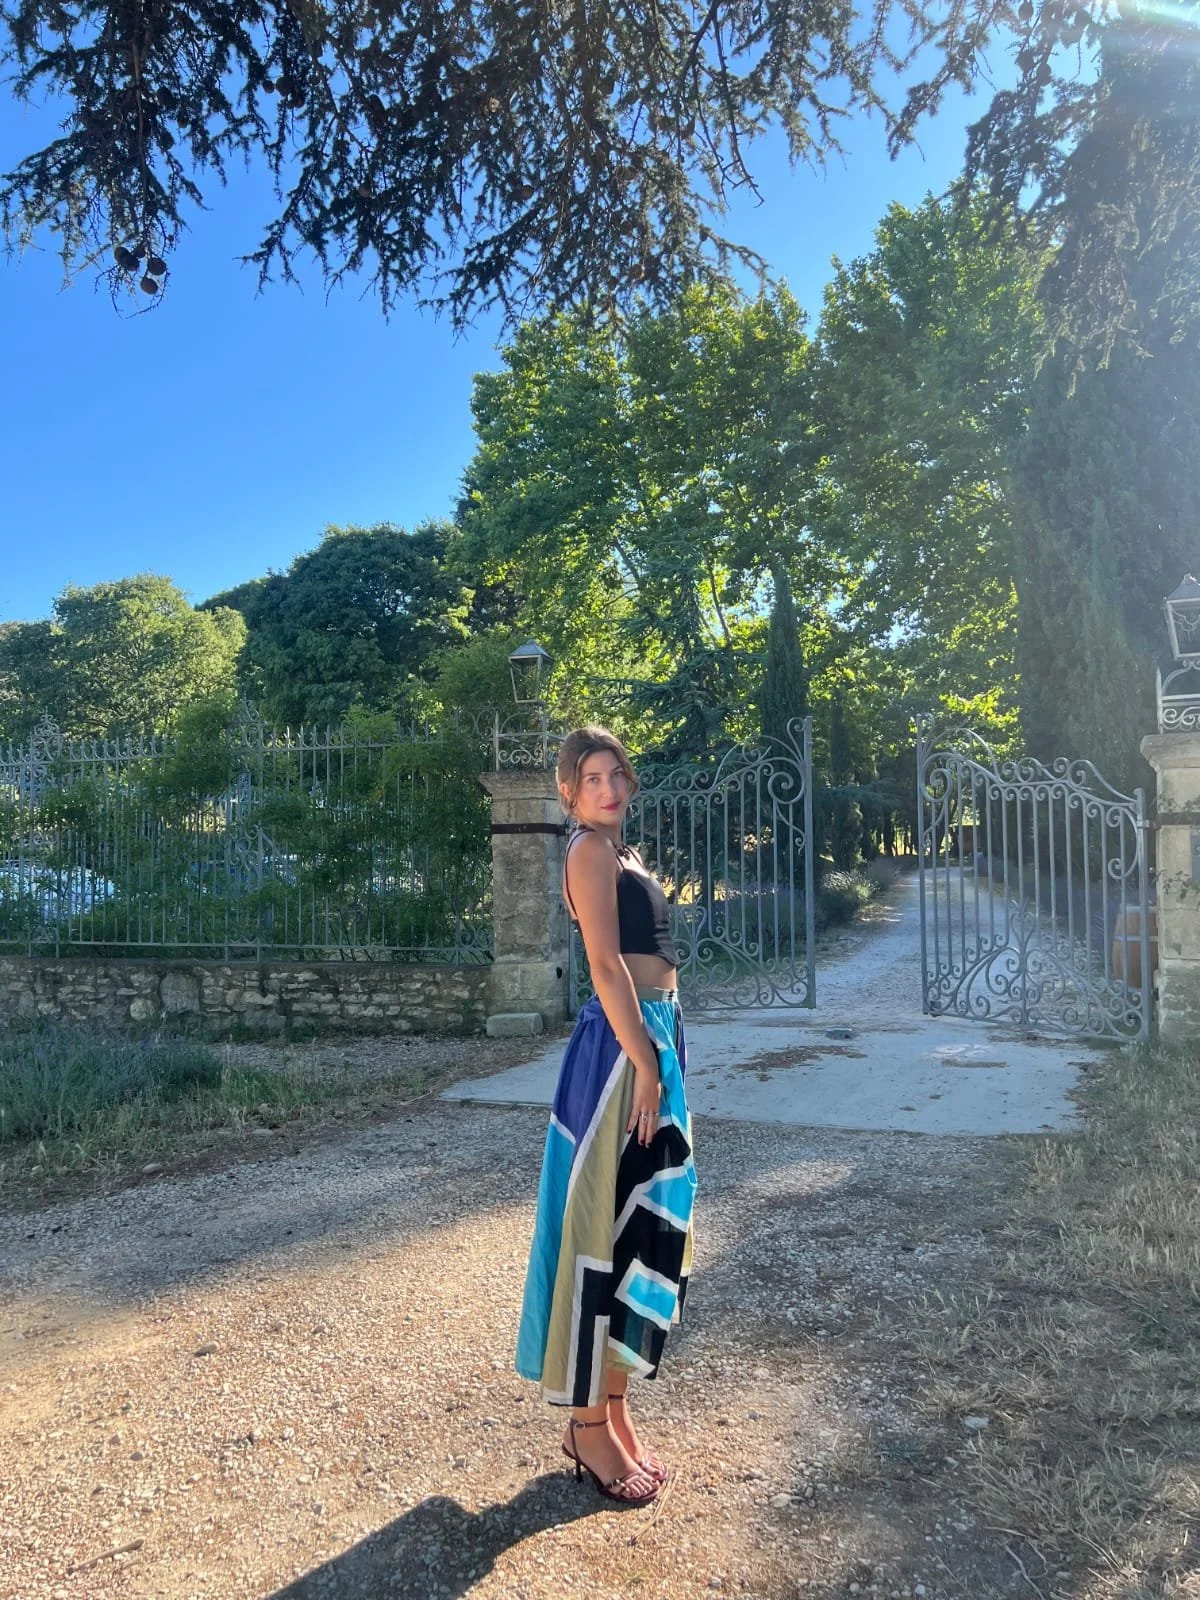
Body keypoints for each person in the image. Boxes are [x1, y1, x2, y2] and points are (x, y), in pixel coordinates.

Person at [515, 725, 697, 1507]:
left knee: (641, 1224)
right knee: (602, 1225)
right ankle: (586, 1426)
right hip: (623, 1052)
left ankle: (613, 1409)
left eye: (616, 773)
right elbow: (603, 964)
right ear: (569, 791)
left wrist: (662, 1049)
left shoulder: (623, 854)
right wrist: (646, 1062)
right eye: (592, 777)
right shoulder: (588, 851)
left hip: (652, 1035)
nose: (609, 787)